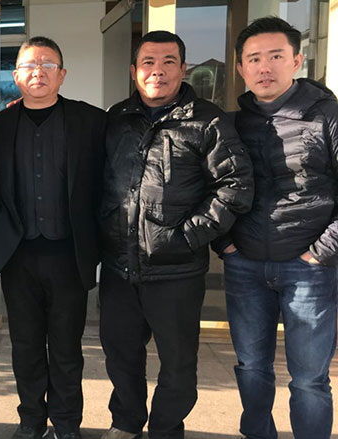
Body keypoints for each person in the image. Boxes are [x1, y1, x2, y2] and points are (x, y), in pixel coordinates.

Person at [98, 31, 253, 439]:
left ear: (184, 69)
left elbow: (235, 186)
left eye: (169, 62)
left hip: (176, 271)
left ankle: (166, 430)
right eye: (148, 62)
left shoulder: (207, 120)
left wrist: (185, 237)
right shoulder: (116, 118)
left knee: (178, 363)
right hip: (118, 266)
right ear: (134, 70)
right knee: (120, 355)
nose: (158, 71)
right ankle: (126, 423)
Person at [215, 16, 338, 439]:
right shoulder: (230, 124)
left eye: (275, 56)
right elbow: (210, 187)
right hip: (245, 266)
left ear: (297, 61)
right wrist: (226, 244)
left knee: (309, 379)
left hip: (310, 269)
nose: (264, 67)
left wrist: (321, 253)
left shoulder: (327, 116)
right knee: (251, 367)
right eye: (254, 59)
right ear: (241, 68)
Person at [0, 36, 107, 439]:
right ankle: (31, 421)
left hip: (69, 254)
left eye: (47, 65)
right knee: (24, 346)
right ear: (16, 76)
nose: (38, 72)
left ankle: (67, 424)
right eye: (29, 65)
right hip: (18, 256)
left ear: (62, 75)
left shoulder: (91, 122)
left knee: (67, 348)